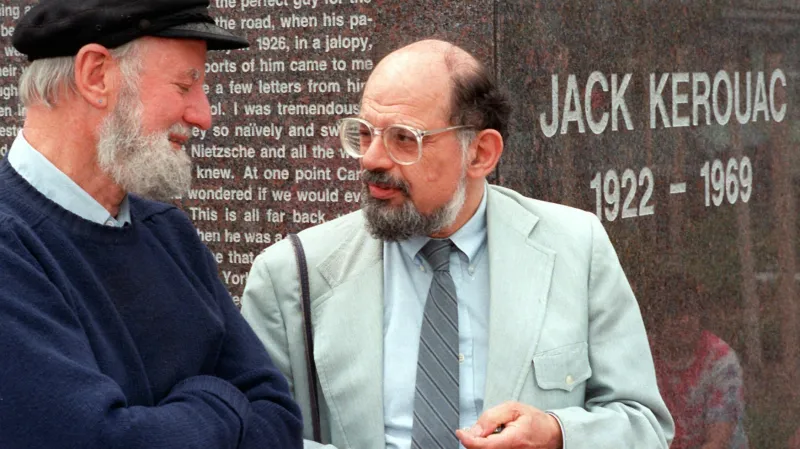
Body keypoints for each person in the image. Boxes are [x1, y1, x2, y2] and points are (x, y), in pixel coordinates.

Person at [241, 39, 674, 449]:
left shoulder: (575, 247)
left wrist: (557, 434)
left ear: (480, 153)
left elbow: (645, 425)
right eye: (365, 134)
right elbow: (251, 434)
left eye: (403, 138)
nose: (371, 159)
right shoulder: (290, 274)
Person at [0, 0, 302, 447]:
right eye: (185, 85)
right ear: (96, 76)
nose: (203, 115)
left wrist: (169, 423)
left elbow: (278, 416)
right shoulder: (13, 246)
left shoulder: (169, 232)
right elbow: (94, 440)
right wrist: (219, 398)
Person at [649, 275, 749, 449]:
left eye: (690, 312)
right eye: (675, 314)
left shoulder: (721, 361)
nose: (685, 321)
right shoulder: (644, 357)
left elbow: (717, 442)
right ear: (658, 321)